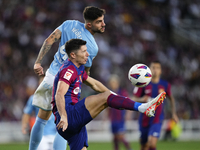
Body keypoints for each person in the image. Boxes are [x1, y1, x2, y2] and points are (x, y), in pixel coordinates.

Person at [51, 39, 166, 150]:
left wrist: (113, 96)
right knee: (105, 98)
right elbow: (59, 94)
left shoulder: (79, 68)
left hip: (71, 124)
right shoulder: (69, 70)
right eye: (83, 51)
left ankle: (140, 106)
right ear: (73, 55)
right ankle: (143, 107)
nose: (87, 54)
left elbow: (94, 84)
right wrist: (64, 117)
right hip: (68, 115)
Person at [30, 6, 106, 150]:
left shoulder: (68, 24)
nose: (103, 24)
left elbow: (49, 40)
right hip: (67, 82)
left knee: (40, 120)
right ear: (89, 24)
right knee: (65, 123)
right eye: (99, 22)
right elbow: (84, 71)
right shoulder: (92, 47)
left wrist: (38, 62)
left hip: (51, 77)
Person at [133, 61, 179, 150]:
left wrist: (174, 113)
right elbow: (134, 98)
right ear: (149, 70)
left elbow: (171, 99)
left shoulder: (165, 85)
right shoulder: (143, 83)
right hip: (144, 119)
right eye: (153, 67)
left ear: (160, 71)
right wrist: (142, 99)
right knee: (144, 146)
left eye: (157, 68)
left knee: (152, 143)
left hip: (157, 119)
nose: (155, 70)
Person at [21, 76, 60, 150]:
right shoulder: (34, 98)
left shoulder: (57, 98)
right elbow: (27, 113)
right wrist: (24, 125)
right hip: (41, 135)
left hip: (54, 134)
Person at [108, 75, 133, 150]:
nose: (112, 84)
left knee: (121, 137)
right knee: (115, 138)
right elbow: (107, 107)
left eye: (113, 82)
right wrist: (107, 116)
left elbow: (129, 103)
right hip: (113, 119)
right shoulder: (109, 93)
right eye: (111, 83)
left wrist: (128, 114)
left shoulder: (122, 92)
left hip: (120, 118)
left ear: (117, 83)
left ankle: (129, 148)